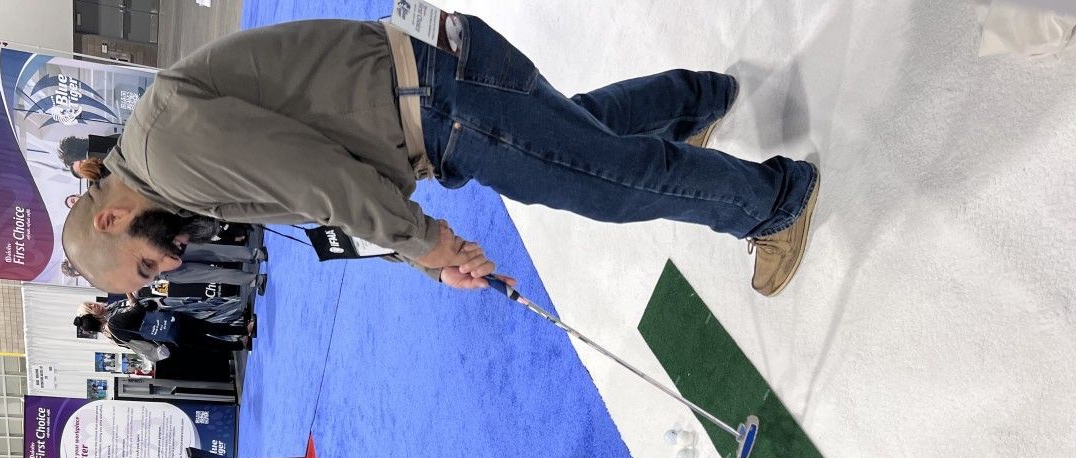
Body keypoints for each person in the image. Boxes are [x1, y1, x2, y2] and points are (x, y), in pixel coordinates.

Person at [62, 16, 819, 299]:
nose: (170, 267)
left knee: (602, 182)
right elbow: (322, 182)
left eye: (148, 267)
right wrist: (421, 256)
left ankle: (772, 201)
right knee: (576, 139)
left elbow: (316, 179)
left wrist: (425, 242)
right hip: (432, 88)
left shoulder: (171, 152)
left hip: (439, 99)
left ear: (118, 215)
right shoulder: (165, 162)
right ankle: (697, 100)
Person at [74, 297, 251, 365]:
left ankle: (239, 344)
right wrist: (133, 299)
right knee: (207, 327)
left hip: (167, 338)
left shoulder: (111, 337)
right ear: (94, 317)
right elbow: (139, 311)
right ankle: (243, 330)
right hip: (168, 324)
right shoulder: (114, 322)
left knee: (206, 343)